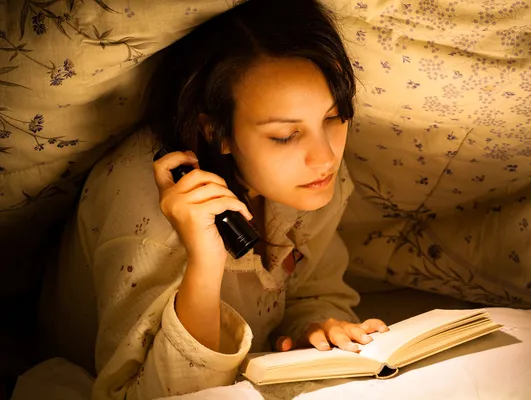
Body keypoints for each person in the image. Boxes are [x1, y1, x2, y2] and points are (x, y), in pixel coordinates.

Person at [44, 0, 388, 399]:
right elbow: (146, 395)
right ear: (216, 132)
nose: (326, 157)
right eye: (284, 135)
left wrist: (314, 326)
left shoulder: (309, 180)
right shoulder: (147, 225)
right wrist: (206, 263)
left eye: (333, 117)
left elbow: (314, 291)